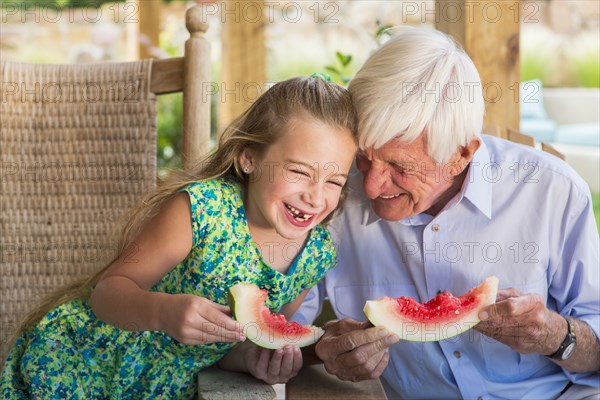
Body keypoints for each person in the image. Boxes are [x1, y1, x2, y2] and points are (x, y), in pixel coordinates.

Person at [0, 76, 358, 399]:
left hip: (170, 388)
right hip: (81, 363)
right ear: (249, 158)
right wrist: (164, 312)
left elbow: (241, 343)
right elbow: (108, 293)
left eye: (334, 182)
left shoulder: (314, 257)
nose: (315, 196)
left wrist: (254, 359)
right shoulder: (201, 209)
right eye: (299, 171)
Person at [293, 28, 600, 399]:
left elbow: (594, 344)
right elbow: (276, 335)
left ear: (461, 154)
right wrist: (323, 350)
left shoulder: (553, 191)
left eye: (400, 168)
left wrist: (556, 335)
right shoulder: (333, 194)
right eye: (364, 158)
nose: (371, 186)